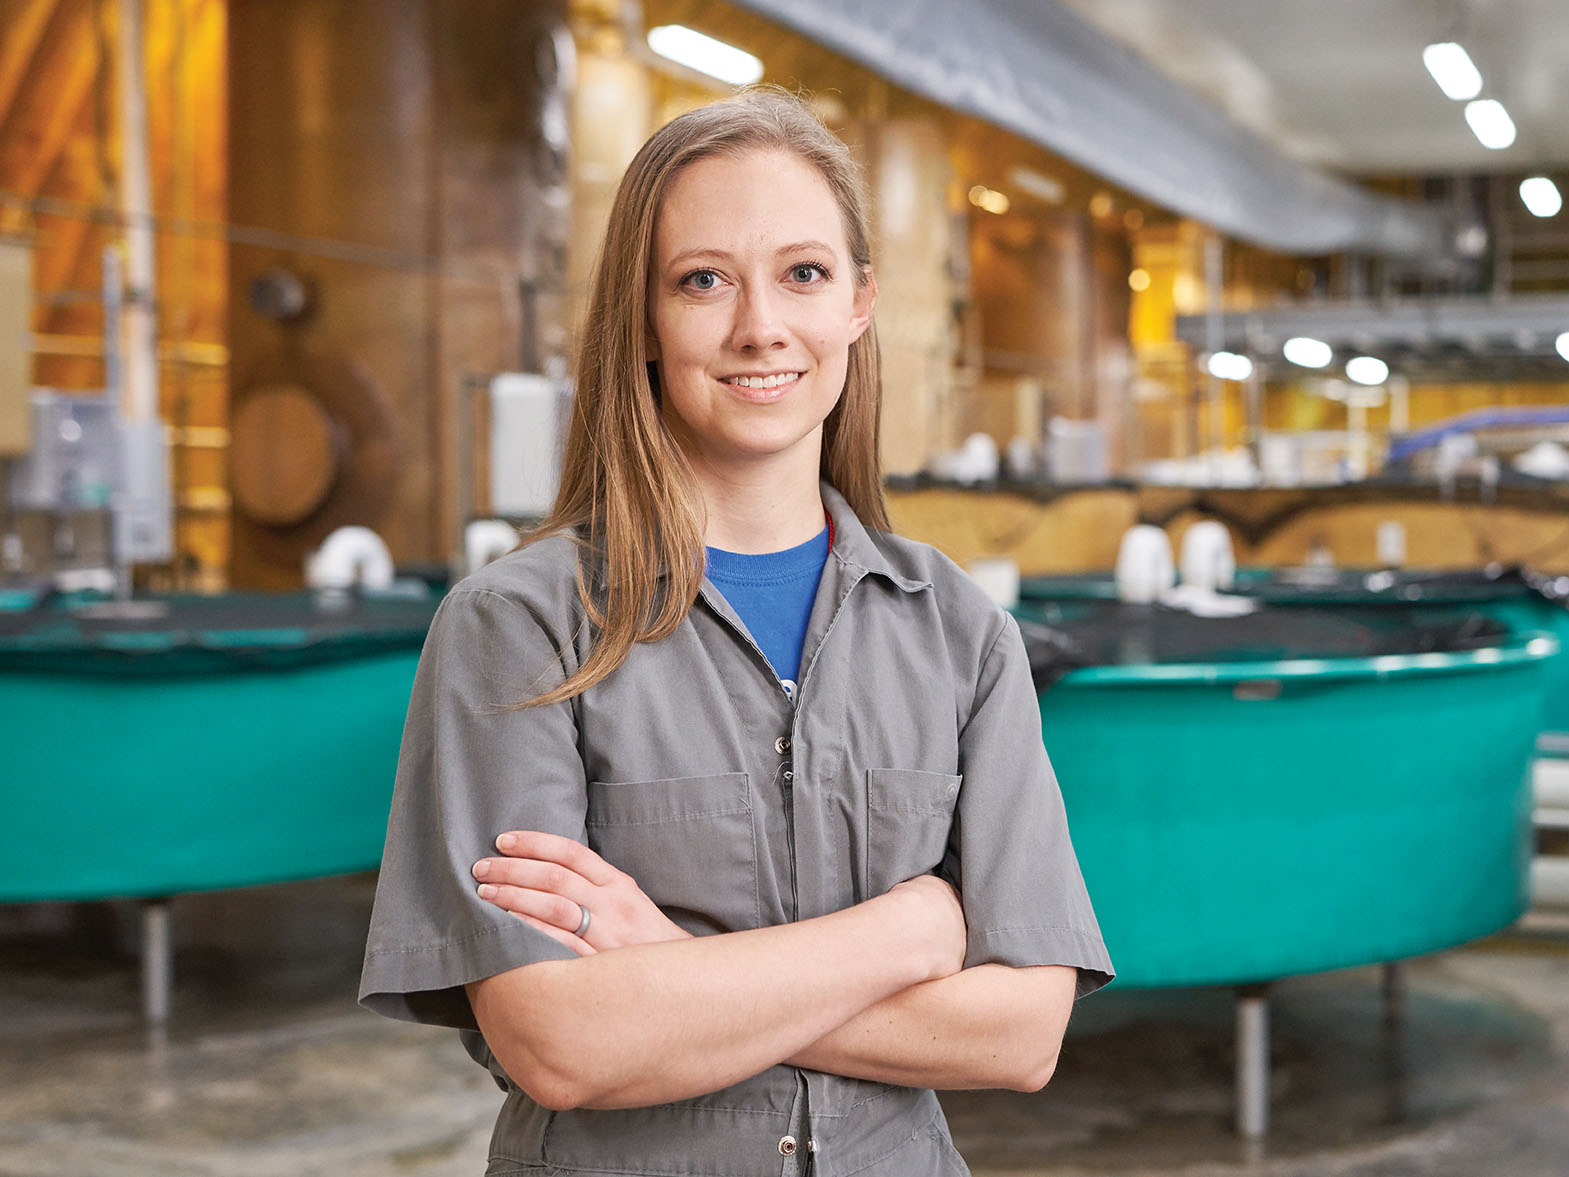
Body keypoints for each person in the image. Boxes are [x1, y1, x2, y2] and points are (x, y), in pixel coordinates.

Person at [359, 87, 1113, 1176]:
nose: (760, 324)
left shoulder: (959, 631)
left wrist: (670, 969)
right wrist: (904, 935)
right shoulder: (518, 629)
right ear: (645, 320)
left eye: (802, 273)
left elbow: (1021, 1030)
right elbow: (562, 1042)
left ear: (858, 300)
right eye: (703, 280)